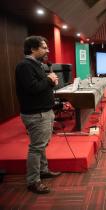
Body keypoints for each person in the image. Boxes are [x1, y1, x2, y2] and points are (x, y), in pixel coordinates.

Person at [15, 36, 62, 194]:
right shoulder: (25, 66)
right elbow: (32, 88)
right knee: (36, 148)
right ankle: (33, 181)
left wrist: (50, 81)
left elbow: (41, 86)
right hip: (36, 114)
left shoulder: (38, 65)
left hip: (44, 111)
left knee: (42, 145)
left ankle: (43, 170)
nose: (47, 50)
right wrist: (48, 81)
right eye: (44, 47)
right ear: (33, 49)